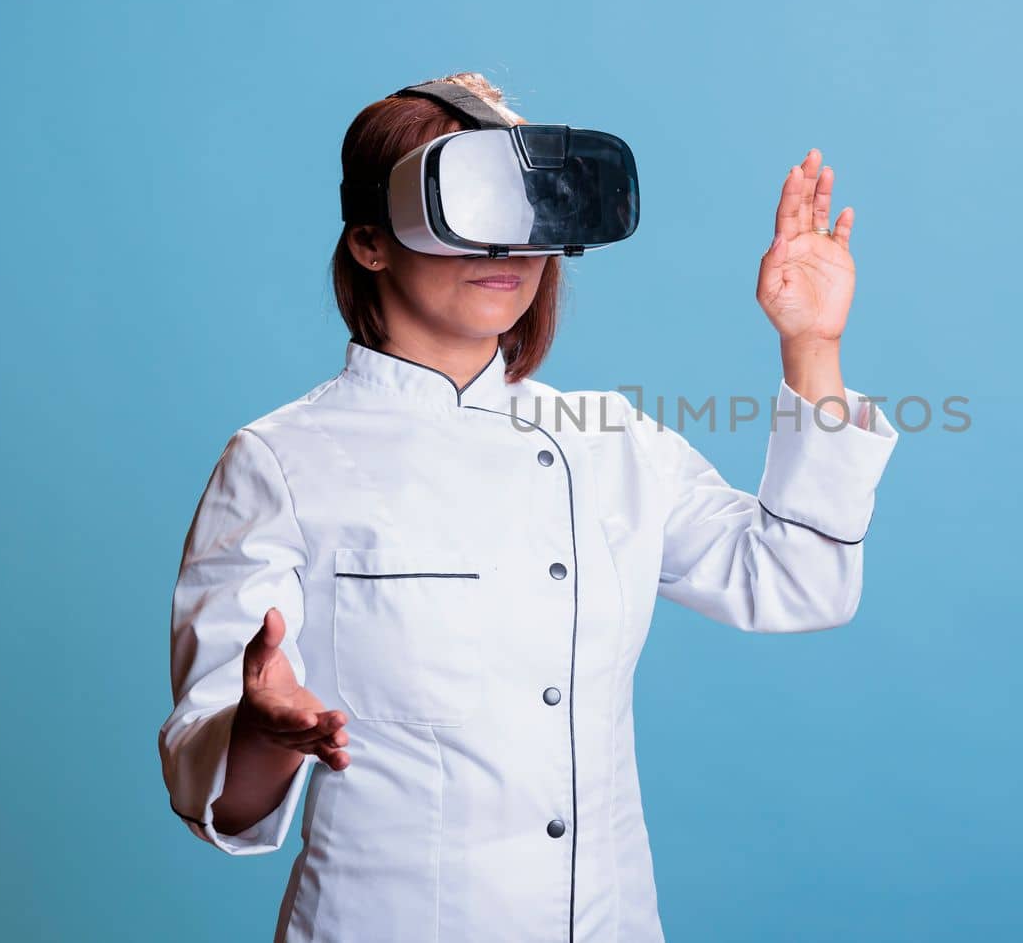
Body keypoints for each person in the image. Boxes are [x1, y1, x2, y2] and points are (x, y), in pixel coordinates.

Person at [157, 71, 900, 942]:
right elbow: (214, 796)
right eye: (467, 206)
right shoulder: (281, 462)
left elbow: (801, 580)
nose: (504, 247)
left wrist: (812, 347)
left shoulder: (608, 437)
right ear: (369, 240)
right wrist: (265, 729)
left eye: (527, 208)